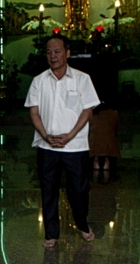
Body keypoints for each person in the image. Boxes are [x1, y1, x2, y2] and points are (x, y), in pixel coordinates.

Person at [24, 34, 100, 249]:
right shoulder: (39, 81)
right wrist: (45, 135)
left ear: (67, 53)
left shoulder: (82, 79)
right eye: (49, 52)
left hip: (75, 146)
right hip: (47, 146)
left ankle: (83, 225)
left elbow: (87, 111)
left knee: (79, 191)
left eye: (57, 52)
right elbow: (34, 112)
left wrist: (71, 135)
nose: (53, 56)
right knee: (48, 190)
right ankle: (51, 234)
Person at [89, 102, 120, 172]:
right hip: (110, 145)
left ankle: (96, 160)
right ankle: (106, 160)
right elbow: (117, 128)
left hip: (94, 144)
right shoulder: (114, 113)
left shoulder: (91, 114)